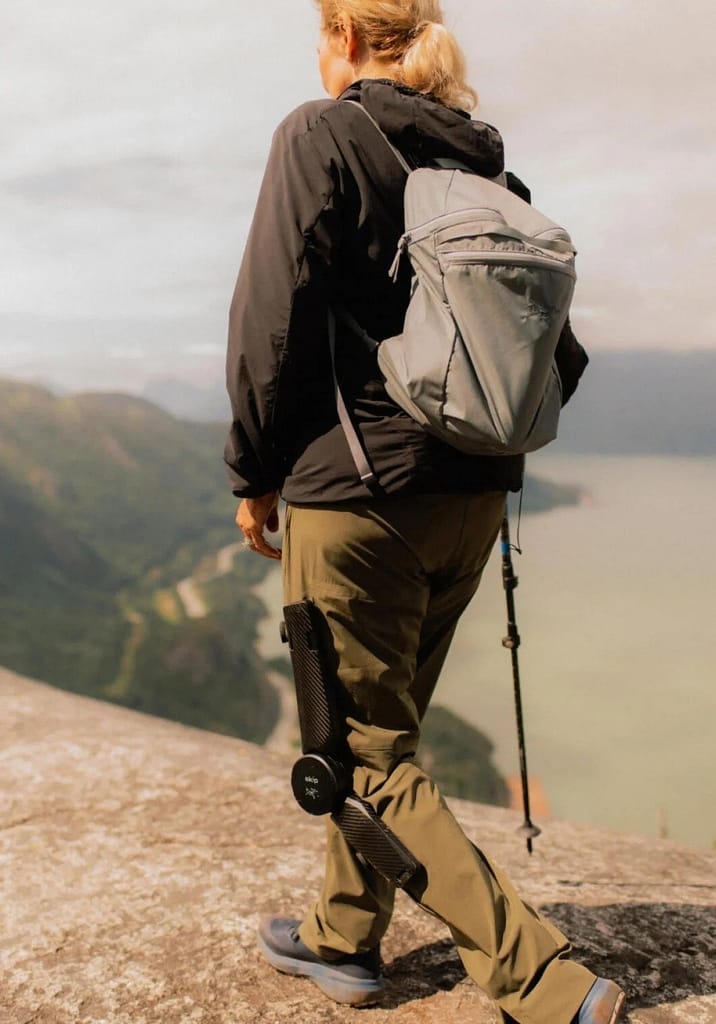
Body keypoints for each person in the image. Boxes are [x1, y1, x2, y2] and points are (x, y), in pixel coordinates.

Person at [224, 2, 624, 1022]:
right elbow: (558, 356)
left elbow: (269, 321)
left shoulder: (320, 133)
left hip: (353, 501)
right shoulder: (494, 179)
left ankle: (546, 986)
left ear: (345, 43)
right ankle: (341, 936)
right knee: (378, 733)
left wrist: (253, 471)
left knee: (356, 750)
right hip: (470, 504)